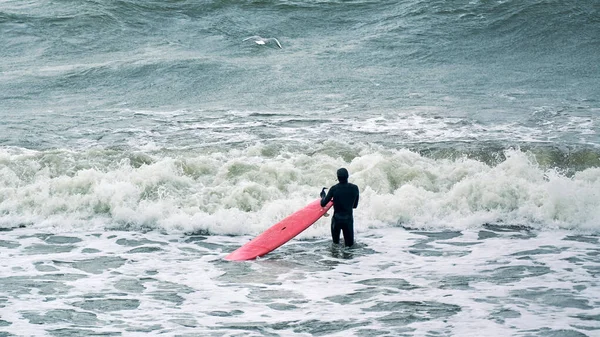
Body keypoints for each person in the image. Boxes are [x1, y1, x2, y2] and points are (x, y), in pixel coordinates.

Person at [320, 168, 359, 247]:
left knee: (335, 245)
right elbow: (355, 206)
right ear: (348, 176)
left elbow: (323, 204)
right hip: (348, 220)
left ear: (337, 177)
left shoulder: (334, 189)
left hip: (336, 220)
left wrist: (323, 195)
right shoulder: (355, 188)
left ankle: (335, 259)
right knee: (349, 247)